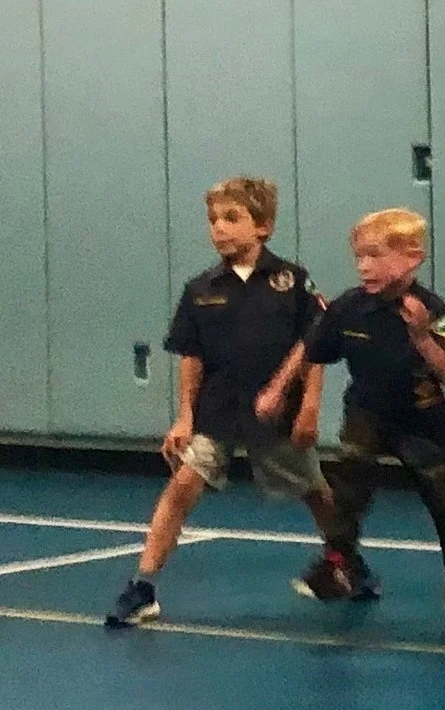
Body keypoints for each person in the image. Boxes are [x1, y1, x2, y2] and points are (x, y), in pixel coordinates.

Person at [106, 178, 345, 627]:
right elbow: (190, 357)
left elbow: (315, 344)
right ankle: (142, 587)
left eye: (232, 218)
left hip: (277, 415)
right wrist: (184, 417)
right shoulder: (200, 289)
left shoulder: (292, 281)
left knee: (316, 492)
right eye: (213, 220)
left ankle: (345, 560)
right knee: (181, 488)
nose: (219, 228)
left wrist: (309, 406)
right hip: (217, 413)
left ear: (264, 226)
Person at [263, 207, 445, 622]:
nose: (364, 266)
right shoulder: (349, 307)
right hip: (367, 413)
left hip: (423, 419)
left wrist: (422, 337)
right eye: (359, 257)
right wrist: (277, 388)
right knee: (346, 495)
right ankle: (340, 567)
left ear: (413, 258)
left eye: (375, 256)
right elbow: (311, 346)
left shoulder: (433, 311)